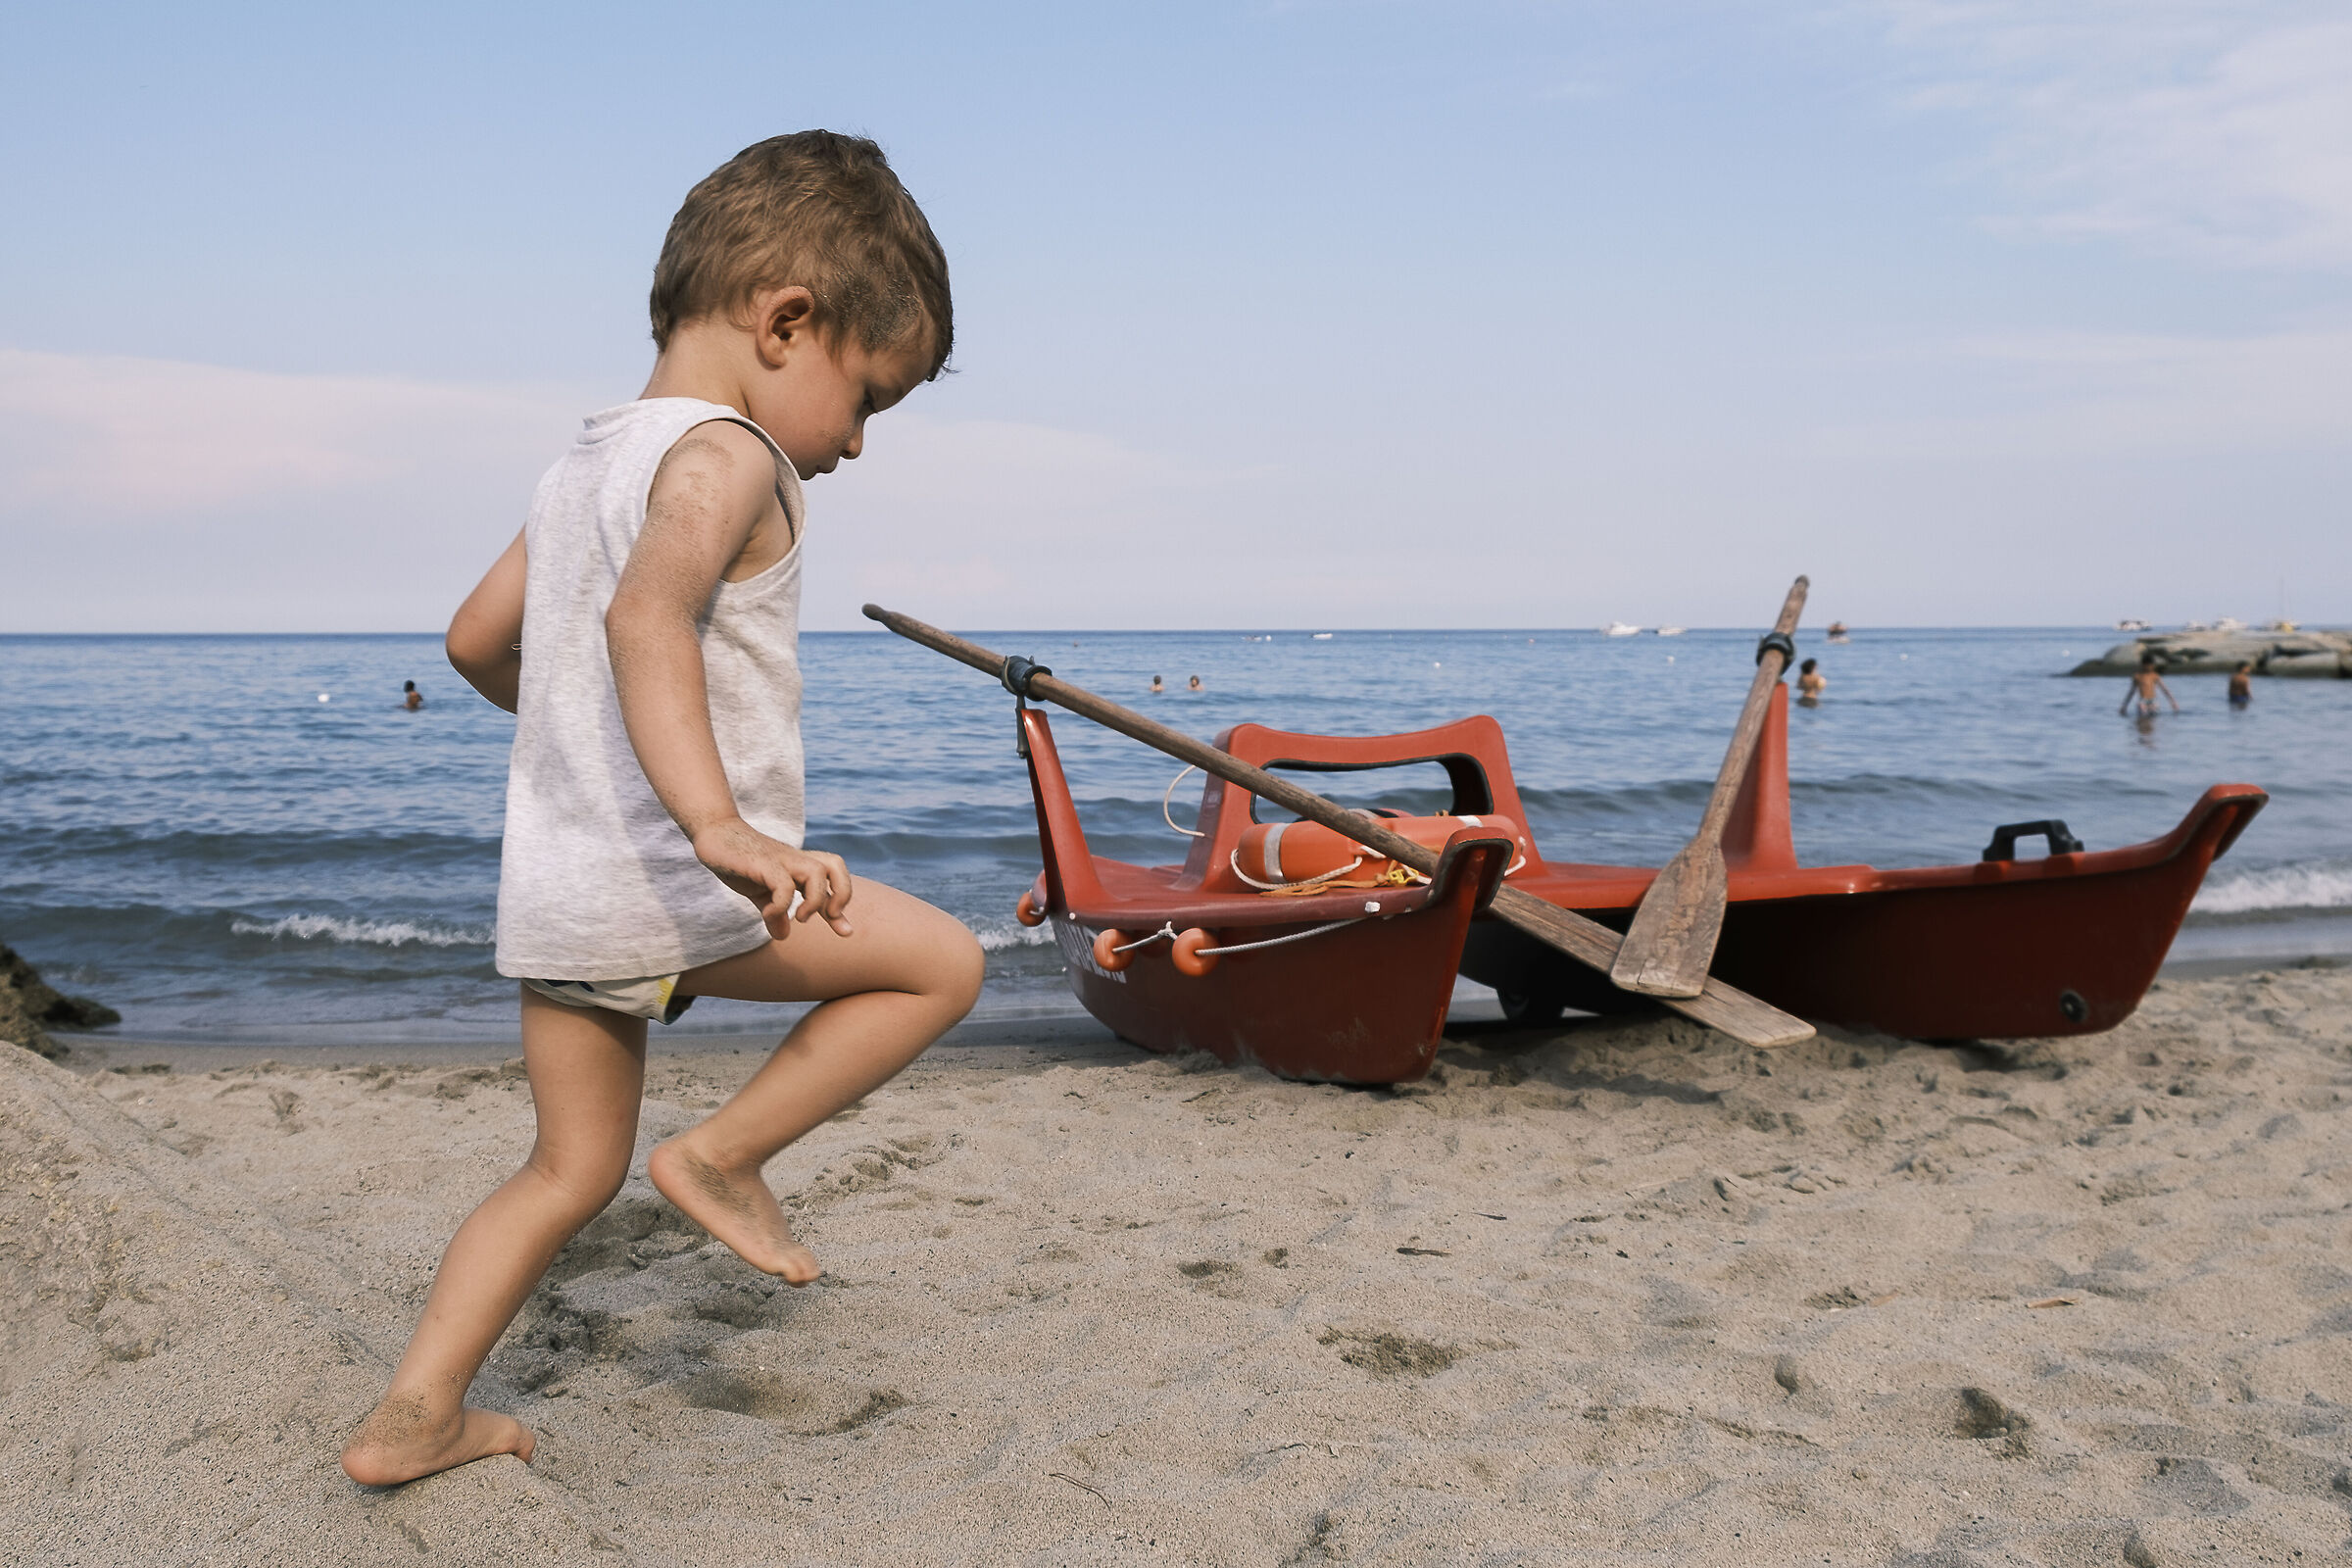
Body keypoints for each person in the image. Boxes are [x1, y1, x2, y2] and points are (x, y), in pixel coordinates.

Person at [341, 133, 983, 1488]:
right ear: (787, 322)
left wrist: (585, 739)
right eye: (867, 397)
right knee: (940, 964)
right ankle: (724, 1156)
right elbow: (652, 613)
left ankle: (414, 1415)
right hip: (677, 891)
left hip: (566, 898)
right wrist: (718, 826)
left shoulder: (577, 467)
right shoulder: (728, 455)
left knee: (563, 1174)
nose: (858, 441)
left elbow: (471, 643)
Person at [2121, 653, 2180, 717]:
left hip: (2153, 700)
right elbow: (2131, 692)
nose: (2151, 667)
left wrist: (2173, 702)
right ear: (2143, 665)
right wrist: (2124, 706)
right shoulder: (2137, 676)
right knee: (2142, 708)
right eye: (2149, 665)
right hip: (2143, 700)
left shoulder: (2154, 675)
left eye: (2152, 665)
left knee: (2154, 711)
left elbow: (2164, 690)